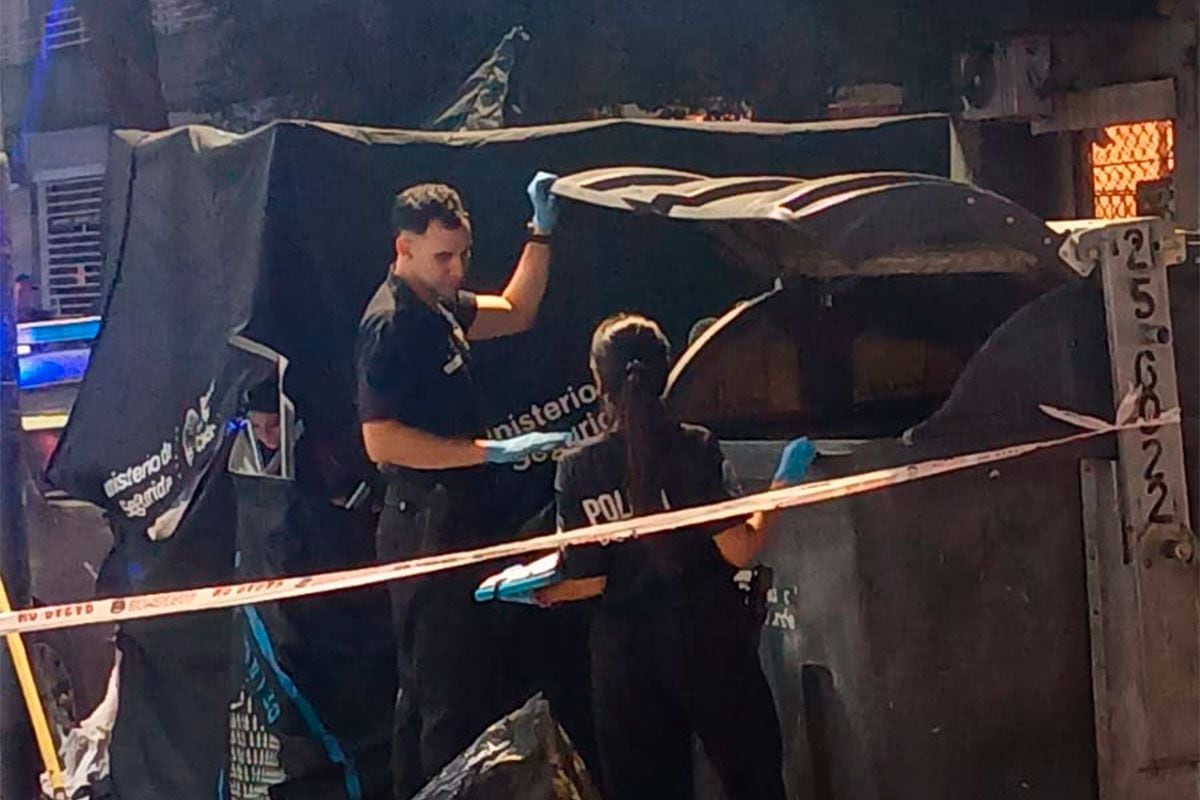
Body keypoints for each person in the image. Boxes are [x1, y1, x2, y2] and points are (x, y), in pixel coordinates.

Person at [533, 313, 813, 800]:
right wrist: (781, 487)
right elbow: (740, 549)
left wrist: (541, 592)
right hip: (712, 646)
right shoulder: (695, 448)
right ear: (665, 373)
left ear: (598, 381)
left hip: (627, 664)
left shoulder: (578, 468)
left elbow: (587, 581)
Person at [355, 177, 570, 796]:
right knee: (441, 696)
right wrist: (487, 452)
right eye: (443, 257)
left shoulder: (439, 304)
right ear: (404, 248)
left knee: (457, 684)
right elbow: (380, 440)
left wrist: (540, 232)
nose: (456, 269)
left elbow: (517, 311)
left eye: (463, 255)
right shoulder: (392, 323)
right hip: (422, 522)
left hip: (461, 514)